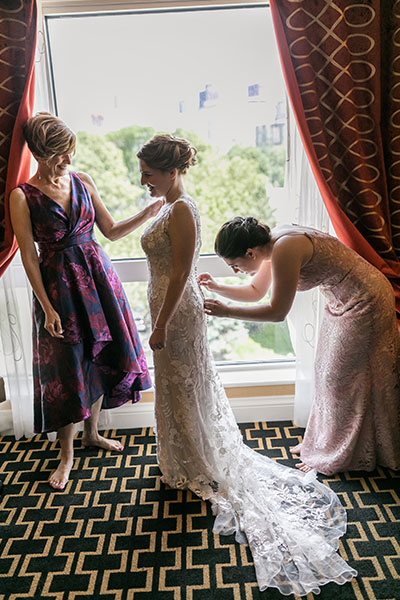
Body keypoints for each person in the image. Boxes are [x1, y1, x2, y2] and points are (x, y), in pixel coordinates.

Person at [138, 134, 357, 595]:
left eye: (149, 173)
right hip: (168, 306)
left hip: (175, 312)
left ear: (172, 171)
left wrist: (160, 322)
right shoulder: (162, 207)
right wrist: (207, 291)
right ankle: (186, 456)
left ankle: (198, 458)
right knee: (179, 387)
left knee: (185, 384)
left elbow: (179, 272)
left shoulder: (181, 210)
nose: (143, 180)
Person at [9, 112, 162, 491]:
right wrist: (46, 307)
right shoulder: (22, 196)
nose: (68, 162)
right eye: (61, 154)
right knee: (67, 369)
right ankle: (66, 455)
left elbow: (109, 231)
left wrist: (148, 213)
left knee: (100, 358)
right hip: (59, 289)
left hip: (99, 282)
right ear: (41, 152)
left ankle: (92, 433)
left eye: (70, 153)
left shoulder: (83, 181)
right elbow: (29, 256)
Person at [201, 217, 400, 476]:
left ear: (250, 252)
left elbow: (277, 311)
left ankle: (337, 452)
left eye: (235, 265)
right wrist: (217, 288)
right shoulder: (270, 245)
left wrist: (227, 312)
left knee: (338, 379)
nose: (236, 271)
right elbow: (255, 291)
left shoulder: (286, 247)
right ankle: (324, 442)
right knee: (325, 373)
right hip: (341, 300)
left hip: (366, 301)